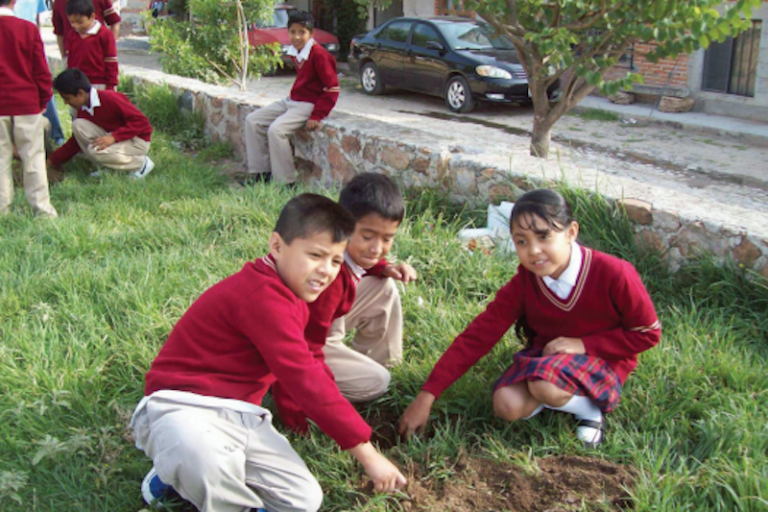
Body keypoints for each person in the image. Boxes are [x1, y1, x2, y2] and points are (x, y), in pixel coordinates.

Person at [130, 194, 407, 511]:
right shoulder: (263, 295)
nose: (326, 271)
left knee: (303, 501)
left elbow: (311, 359)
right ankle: (175, 475)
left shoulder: (295, 291)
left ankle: (196, 475)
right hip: (183, 405)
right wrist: (368, 455)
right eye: (315, 255)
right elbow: (302, 376)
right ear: (276, 245)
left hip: (242, 414)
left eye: (335, 261)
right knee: (202, 458)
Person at [399, 189, 661, 446]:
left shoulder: (614, 273)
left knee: (544, 385)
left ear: (571, 232)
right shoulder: (526, 281)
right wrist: (427, 395)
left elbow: (648, 334)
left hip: (603, 359)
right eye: (521, 241)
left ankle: (590, 411)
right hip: (549, 357)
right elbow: (479, 335)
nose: (533, 250)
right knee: (506, 404)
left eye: (544, 236)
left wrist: (583, 345)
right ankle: (558, 400)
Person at [273, 173, 417, 433]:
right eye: (367, 236)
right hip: (295, 344)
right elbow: (303, 349)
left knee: (384, 287)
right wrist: (297, 418)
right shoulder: (328, 276)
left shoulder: (338, 251)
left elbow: (362, 266)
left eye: (387, 239)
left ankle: (381, 362)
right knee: (376, 381)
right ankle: (366, 378)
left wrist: (384, 268)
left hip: (319, 327)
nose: (376, 248)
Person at [244, 10, 340, 186]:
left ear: (311, 33)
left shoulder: (320, 54)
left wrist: (317, 115)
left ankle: (286, 183)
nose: (296, 37)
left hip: (307, 104)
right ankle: (261, 174)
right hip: (292, 100)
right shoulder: (296, 52)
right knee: (253, 120)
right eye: (293, 32)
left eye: (302, 32)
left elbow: (332, 88)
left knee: (277, 131)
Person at [0, 0, 58, 217]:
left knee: (1, 160)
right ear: (14, 2)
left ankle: (2, 210)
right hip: (26, 103)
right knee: (33, 158)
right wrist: (42, 100)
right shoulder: (27, 29)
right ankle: (42, 209)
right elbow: (41, 70)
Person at [48, 68, 155, 178]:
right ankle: (109, 166)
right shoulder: (83, 109)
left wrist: (114, 137)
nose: (66, 103)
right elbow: (75, 143)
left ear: (80, 93)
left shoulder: (110, 98)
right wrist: (52, 161)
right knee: (78, 125)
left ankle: (141, 163)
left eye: (67, 98)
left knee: (95, 152)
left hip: (137, 140)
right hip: (116, 138)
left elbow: (142, 122)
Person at [13, 0, 66, 146]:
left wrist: (37, 42)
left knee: (43, 82)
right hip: (8, 41)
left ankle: (55, 133)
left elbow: (37, 20)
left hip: (29, 41)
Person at [64, 0, 118, 96]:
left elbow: (111, 61)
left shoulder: (105, 35)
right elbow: (71, 60)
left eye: (80, 22)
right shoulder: (72, 35)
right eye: (72, 22)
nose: (76, 26)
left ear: (92, 16)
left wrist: (111, 85)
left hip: (99, 83)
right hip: (78, 82)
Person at [52, 0, 119, 59]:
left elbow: (114, 21)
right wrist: (64, 57)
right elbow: (59, 32)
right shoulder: (59, 2)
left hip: (98, 55)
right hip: (73, 55)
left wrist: (110, 48)